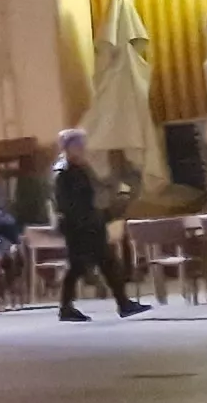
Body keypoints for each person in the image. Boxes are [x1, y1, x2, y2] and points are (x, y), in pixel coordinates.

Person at [50, 127, 148, 320]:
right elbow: (67, 204)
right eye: (78, 145)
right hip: (79, 228)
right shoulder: (63, 172)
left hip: (91, 224)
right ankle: (68, 308)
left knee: (104, 263)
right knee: (80, 266)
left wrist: (106, 210)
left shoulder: (80, 167)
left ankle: (122, 303)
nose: (82, 148)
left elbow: (94, 192)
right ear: (68, 147)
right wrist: (89, 219)